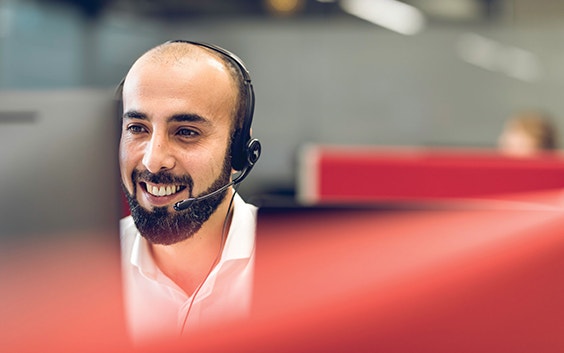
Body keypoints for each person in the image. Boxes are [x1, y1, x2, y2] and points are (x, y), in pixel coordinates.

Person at [117, 40, 261, 344]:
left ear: (239, 152)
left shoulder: (305, 262)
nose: (153, 160)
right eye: (137, 128)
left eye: (186, 132)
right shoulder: (72, 269)